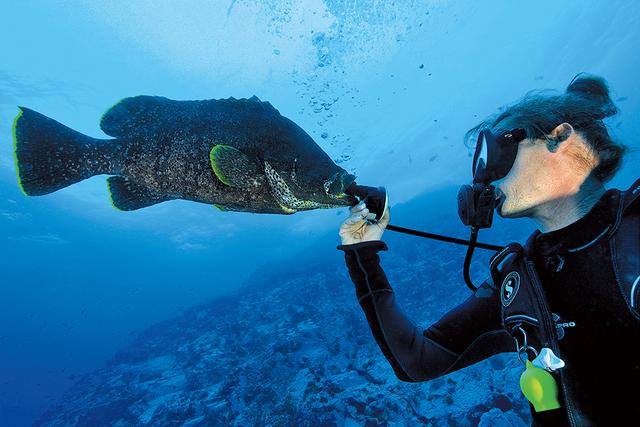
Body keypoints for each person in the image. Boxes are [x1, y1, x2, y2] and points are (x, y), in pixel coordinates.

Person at [337, 74, 639, 426]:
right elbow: (417, 361)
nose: (484, 179)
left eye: (497, 153)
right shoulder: (520, 285)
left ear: (560, 137)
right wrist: (362, 253)